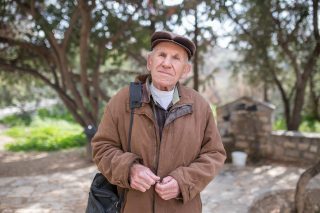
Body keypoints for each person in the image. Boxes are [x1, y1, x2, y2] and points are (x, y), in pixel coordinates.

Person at [91, 30, 226, 213]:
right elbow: (102, 147)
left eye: (176, 58)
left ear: (185, 71)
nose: (166, 63)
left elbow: (214, 154)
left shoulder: (200, 106)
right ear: (150, 62)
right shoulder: (123, 100)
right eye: (161, 55)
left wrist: (182, 181)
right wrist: (129, 169)